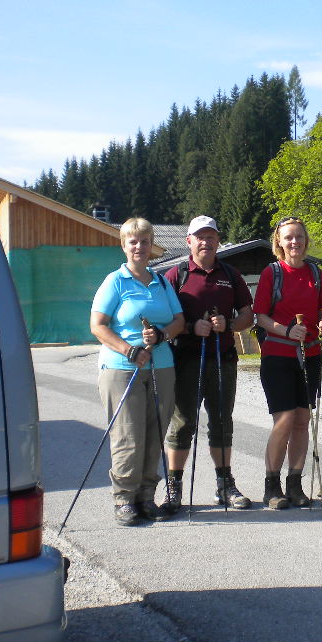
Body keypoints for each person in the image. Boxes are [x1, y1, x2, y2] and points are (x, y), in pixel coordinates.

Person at [90, 218, 185, 526]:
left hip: (161, 365)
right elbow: (98, 325)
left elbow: (178, 321)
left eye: (144, 241)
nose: (139, 247)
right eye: (133, 242)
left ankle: (146, 497)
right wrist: (128, 349)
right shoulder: (115, 281)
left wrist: (160, 335)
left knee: (155, 432)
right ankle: (124, 499)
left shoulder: (161, 282)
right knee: (128, 435)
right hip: (122, 367)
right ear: (124, 245)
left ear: (151, 246)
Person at [161, 215, 255, 514]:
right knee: (182, 424)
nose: (206, 241)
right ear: (189, 241)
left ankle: (225, 484)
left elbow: (247, 316)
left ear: (218, 240)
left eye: (211, 236)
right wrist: (191, 328)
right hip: (186, 360)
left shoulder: (231, 274)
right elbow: (167, 320)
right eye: (199, 237)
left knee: (222, 423)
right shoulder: (177, 275)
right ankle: (174, 487)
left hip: (222, 359)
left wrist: (227, 324)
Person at [253, 217, 322, 509]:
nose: (294, 242)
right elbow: (260, 316)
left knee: (302, 420)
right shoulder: (271, 273)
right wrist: (286, 330)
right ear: (279, 242)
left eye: (299, 236)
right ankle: (271, 486)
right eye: (288, 237)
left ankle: (295, 484)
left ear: (306, 240)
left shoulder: (315, 273)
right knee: (284, 420)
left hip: (310, 355)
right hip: (277, 355)